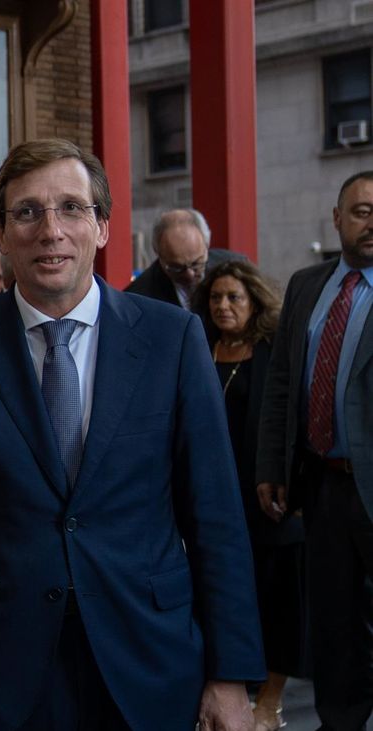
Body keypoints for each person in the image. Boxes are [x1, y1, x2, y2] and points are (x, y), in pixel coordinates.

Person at [0, 138, 265, 731]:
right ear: (0, 233)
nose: (51, 230)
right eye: (27, 212)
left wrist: (231, 676)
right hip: (2, 666)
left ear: (102, 228)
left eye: (72, 208)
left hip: (149, 656)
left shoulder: (173, 339)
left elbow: (217, 516)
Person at [257, 170, 373, 730]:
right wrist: (273, 467)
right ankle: (340, 722)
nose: (371, 222)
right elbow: (282, 382)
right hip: (323, 485)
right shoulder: (307, 284)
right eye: (361, 211)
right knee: (334, 622)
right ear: (336, 218)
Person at [192, 260, 305, 731]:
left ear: (254, 300)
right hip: (211, 499)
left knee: (277, 600)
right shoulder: (198, 346)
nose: (222, 306)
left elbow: (287, 423)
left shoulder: (272, 350)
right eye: (216, 297)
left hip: (264, 496)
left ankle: (270, 701)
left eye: (233, 297)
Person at [127, 208, 243, 310]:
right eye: (176, 267)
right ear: (158, 253)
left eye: (196, 263)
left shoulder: (237, 268)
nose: (189, 274)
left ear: (207, 244)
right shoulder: (139, 297)